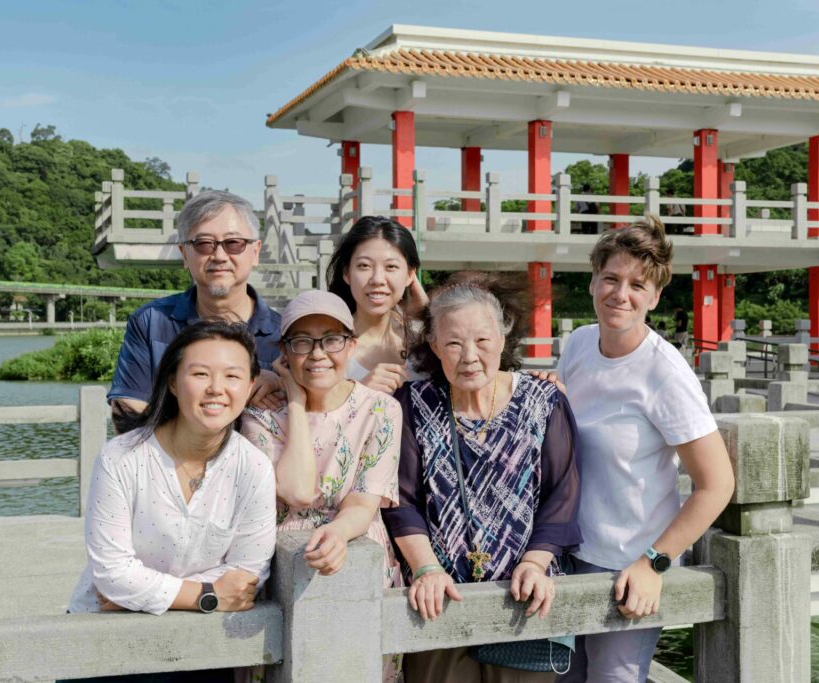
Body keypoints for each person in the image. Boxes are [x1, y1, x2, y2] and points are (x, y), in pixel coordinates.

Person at [556, 215, 734, 683]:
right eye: (611, 279)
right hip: (569, 550)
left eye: (638, 285)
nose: (621, 294)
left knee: (614, 677)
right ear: (593, 282)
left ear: (655, 297)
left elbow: (716, 484)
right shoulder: (577, 345)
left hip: (629, 559)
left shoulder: (665, 372)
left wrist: (654, 562)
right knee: (561, 678)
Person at [383, 272, 582, 683]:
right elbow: (401, 500)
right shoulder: (412, 404)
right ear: (434, 346)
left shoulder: (544, 401)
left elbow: (562, 494)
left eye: (482, 340)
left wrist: (536, 560)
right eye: (453, 343)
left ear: (503, 337)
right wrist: (425, 569)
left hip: (523, 600)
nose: (468, 355)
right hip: (438, 602)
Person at [67, 320, 276, 683]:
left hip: (199, 647)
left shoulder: (254, 467)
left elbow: (247, 575)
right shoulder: (122, 458)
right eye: (200, 373)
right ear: (173, 382)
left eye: (232, 376)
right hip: (104, 641)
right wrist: (206, 595)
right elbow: (112, 574)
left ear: (249, 387)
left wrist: (136, 595)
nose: (216, 389)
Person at [240, 290, 403, 682]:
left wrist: (339, 533)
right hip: (280, 563)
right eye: (302, 342)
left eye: (331, 339)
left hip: (355, 549)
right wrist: (295, 401)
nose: (317, 354)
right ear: (283, 352)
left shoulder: (380, 409)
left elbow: (364, 501)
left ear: (351, 344)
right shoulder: (261, 416)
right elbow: (295, 492)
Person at [109, 190, 283, 432]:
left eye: (233, 243)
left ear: (255, 251)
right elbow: (127, 408)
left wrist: (282, 383)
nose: (219, 256)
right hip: (164, 467)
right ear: (184, 254)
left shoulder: (285, 334)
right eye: (203, 244)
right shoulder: (151, 322)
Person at [327, 216, 427, 394]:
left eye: (391, 267)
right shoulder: (324, 348)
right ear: (346, 273)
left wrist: (431, 318)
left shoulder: (426, 340)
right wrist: (360, 393)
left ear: (410, 275)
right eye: (364, 266)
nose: (377, 279)